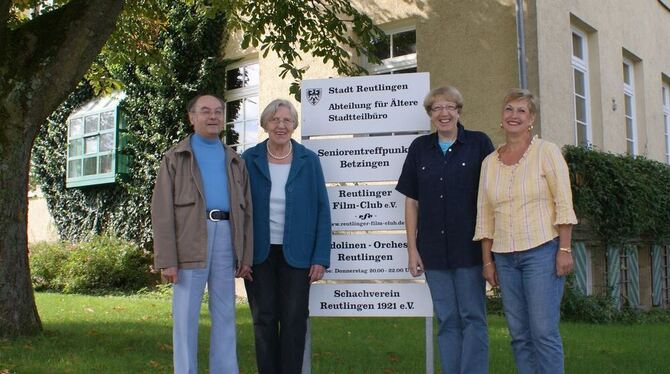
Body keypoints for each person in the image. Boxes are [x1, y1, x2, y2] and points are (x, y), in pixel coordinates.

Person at [474, 88, 578, 374]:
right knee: (519, 335)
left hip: (542, 252)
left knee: (543, 332)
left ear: (531, 118)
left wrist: (565, 249)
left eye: (521, 111)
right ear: (502, 116)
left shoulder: (547, 152)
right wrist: (487, 261)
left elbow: (563, 202)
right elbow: (485, 215)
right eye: (509, 109)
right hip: (505, 258)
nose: (514, 115)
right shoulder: (489, 162)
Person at [151, 94, 253, 374]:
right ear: (191, 117)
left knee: (225, 314)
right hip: (189, 241)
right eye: (205, 111)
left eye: (218, 111)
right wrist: (167, 259)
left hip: (226, 238)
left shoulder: (235, 160)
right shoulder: (175, 157)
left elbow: (247, 212)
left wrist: (245, 254)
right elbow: (161, 211)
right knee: (185, 316)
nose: (213, 116)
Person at [396, 86, 494, 374]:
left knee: (473, 317)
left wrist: (490, 253)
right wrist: (412, 250)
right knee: (448, 319)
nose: (444, 113)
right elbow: (411, 202)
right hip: (433, 252)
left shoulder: (478, 144)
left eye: (450, 106)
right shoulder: (419, 149)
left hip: (470, 249)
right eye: (437, 108)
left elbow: (491, 197)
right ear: (430, 115)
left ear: (459, 111)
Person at [242, 99, 331, 374]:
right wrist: (241, 256)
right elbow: (240, 210)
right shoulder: (249, 159)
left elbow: (321, 209)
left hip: (299, 254)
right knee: (263, 319)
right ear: (266, 124)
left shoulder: (308, 160)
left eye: (287, 120)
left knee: (294, 320)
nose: (281, 125)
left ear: (294, 125)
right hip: (260, 254)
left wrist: (320, 257)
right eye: (275, 120)